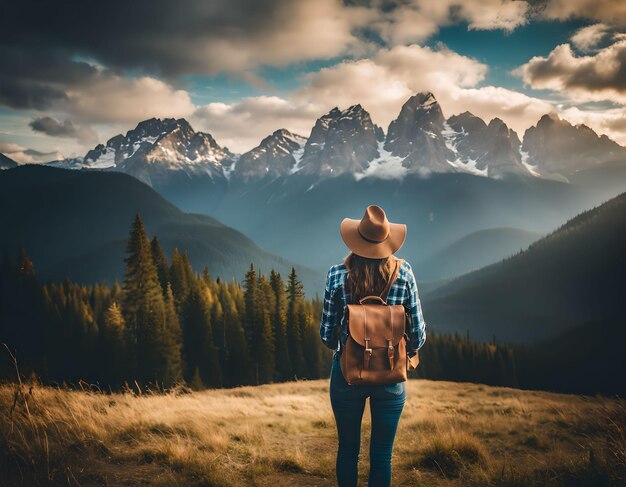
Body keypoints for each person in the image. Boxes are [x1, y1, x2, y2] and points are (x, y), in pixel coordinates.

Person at [319, 204, 426, 487]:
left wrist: (348, 339)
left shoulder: (336, 274)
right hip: (391, 376)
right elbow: (419, 336)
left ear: (355, 240)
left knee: (348, 451)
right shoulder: (405, 274)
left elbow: (327, 335)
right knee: (381, 455)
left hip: (347, 375)